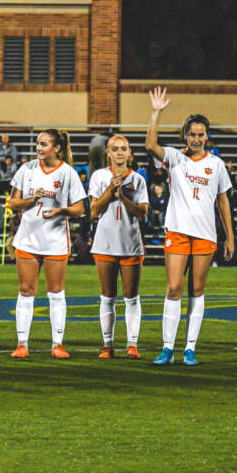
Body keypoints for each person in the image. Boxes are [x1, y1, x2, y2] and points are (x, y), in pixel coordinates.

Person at [145, 87, 234, 366]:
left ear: (207, 136)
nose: (196, 139)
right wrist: (156, 113)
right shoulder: (175, 157)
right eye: (192, 134)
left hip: (206, 233)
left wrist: (230, 237)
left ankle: (189, 349)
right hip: (178, 230)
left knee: (197, 289)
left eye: (200, 134)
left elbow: (223, 201)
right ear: (185, 135)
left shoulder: (216, 165)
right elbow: (150, 145)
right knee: (174, 287)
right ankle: (167, 348)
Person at [6, 129, 86, 359]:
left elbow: (80, 209)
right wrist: (32, 199)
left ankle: (57, 345)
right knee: (25, 291)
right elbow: (13, 203)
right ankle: (22, 344)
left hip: (55, 240)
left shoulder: (67, 172)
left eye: (43, 144)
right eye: (38, 143)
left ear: (57, 148)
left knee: (56, 292)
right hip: (28, 239)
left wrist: (61, 211)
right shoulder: (27, 169)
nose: (38, 148)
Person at [88, 135, 149, 359]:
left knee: (131, 296)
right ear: (108, 153)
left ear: (129, 153)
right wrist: (110, 191)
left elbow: (142, 213)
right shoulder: (99, 176)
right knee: (107, 297)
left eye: (124, 148)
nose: (120, 152)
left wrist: (123, 197)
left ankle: (132, 345)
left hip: (130, 243)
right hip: (104, 243)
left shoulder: (138, 179)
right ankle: (108, 345)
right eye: (115, 149)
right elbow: (94, 211)